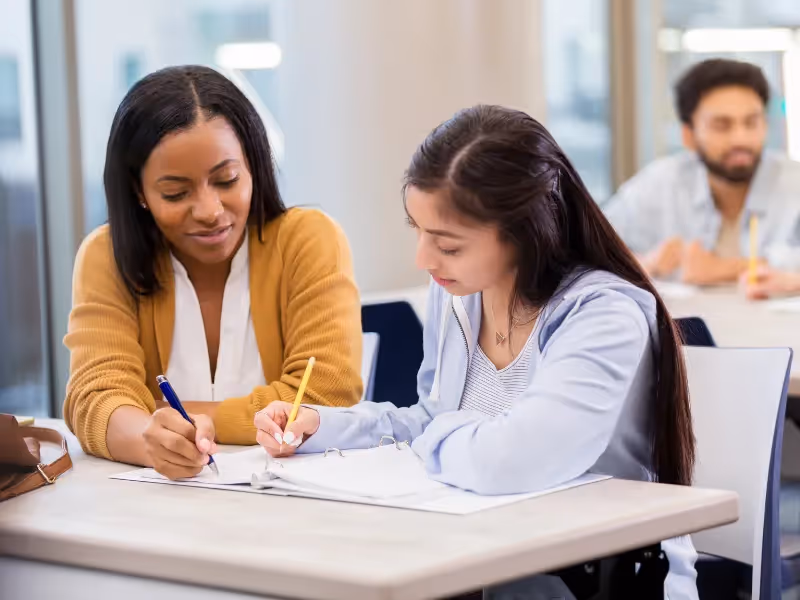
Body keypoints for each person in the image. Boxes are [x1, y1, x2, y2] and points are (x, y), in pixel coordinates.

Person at [253, 105, 699, 599]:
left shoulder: (603, 315)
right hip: (486, 559)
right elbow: (435, 419)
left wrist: (440, 437)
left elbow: (513, 458)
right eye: (417, 230)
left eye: (448, 245)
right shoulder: (459, 292)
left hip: (597, 579)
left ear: (526, 230)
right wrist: (325, 426)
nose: (422, 259)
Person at [63, 65, 363, 480]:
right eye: (175, 192)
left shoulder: (308, 240)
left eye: (227, 179)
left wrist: (169, 414)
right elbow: (95, 399)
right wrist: (152, 442)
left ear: (254, 165)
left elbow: (327, 395)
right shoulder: (106, 255)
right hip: (149, 508)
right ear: (139, 191)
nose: (209, 211)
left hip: (292, 507)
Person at [605, 58, 800, 285]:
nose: (741, 139)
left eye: (752, 122)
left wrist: (721, 269)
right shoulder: (660, 184)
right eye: (721, 125)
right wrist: (646, 263)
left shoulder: (793, 183)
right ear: (689, 135)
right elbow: (583, 252)